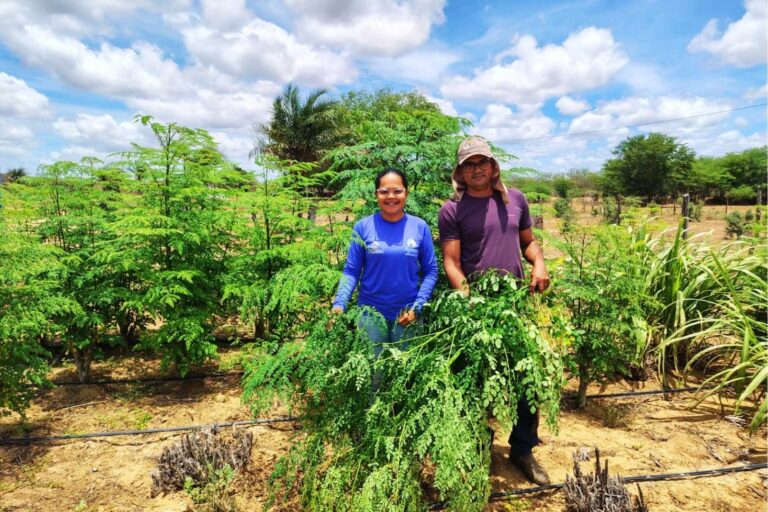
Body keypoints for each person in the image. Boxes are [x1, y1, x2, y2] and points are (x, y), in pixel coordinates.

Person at [437, 136, 551, 486]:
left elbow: (528, 242)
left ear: (493, 165)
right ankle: (476, 446)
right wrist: (469, 299)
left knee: (525, 376)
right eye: (468, 164)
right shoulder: (452, 209)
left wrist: (539, 264)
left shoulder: (515, 199)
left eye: (481, 162)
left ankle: (522, 449)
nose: (476, 169)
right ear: (460, 171)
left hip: (515, 302)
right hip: (475, 306)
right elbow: (452, 262)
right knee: (474, 379)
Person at [332, 168, 438, 362]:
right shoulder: (363, 227)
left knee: (404, 372)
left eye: (397, 191)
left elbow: (431, 271)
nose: (391, 196)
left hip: (407, 314)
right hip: (370, 314)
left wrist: (418, 306)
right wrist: (340, 303)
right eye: (384, 191)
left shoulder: (419, 226)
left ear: (406, 193)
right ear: (376, 195)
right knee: (373, 371)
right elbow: (351, 271)